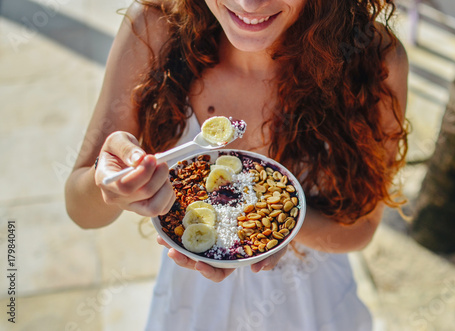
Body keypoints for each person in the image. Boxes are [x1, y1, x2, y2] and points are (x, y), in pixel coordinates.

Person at [65, 0, 408, 329]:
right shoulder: (155, 27)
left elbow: (361, 228)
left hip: (309, 305)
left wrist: (275, 228)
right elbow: (80, 209)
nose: (249, 4)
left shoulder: (372, 59)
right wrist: (108, 184)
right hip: (194, 306)